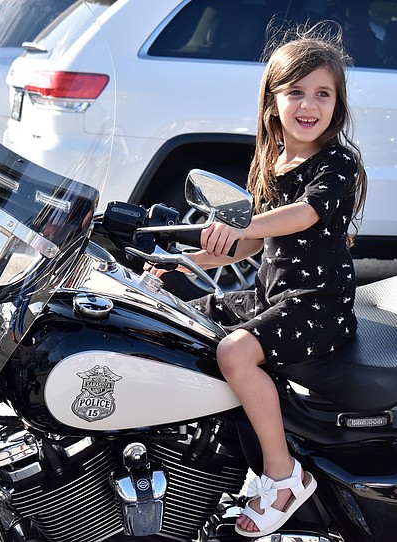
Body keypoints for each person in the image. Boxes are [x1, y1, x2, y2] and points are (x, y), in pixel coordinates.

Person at [149, 26, 367, 537]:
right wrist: (182, 260)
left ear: (338, 104)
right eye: (295, 92)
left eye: (322, 93)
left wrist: (243, 224)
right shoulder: (271, 160)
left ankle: (283, 475)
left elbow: (303, 215)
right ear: (272, 103)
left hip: (320, 305)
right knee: (183, 324)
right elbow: (248, 245)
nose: (308, 104)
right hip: (274, 295)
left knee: (235, 354)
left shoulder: (337, 163)